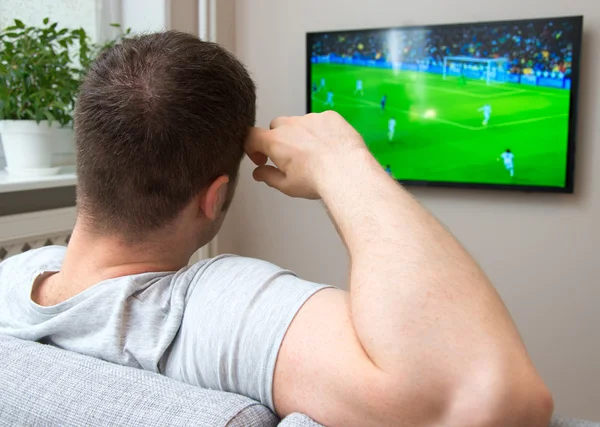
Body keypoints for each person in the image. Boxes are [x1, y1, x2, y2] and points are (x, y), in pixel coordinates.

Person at [0, 31, 552, 427]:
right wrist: (344, 164)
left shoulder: (12, 279)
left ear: (88, 165)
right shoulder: (211, 310)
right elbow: (486, 400)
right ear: (215, 198)